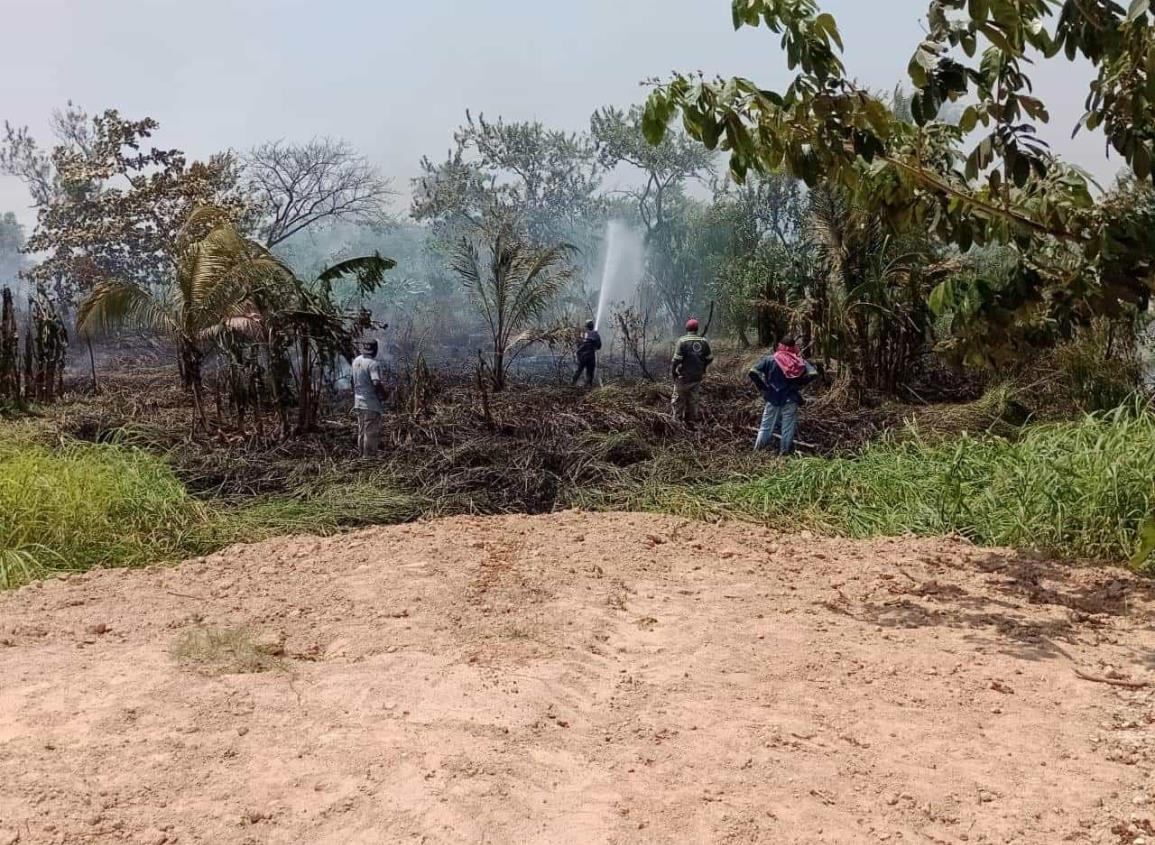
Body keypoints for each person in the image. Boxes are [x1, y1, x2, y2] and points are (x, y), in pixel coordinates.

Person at [749, 334, 815, 456]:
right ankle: (783, 455)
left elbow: (752, 372)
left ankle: (757, 453)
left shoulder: (769, 359)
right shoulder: (799, 362)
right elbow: (813, 373)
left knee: (765, 427)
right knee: (787, 429)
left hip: (772, 398)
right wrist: (800, 383)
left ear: (780, 346)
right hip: (791, 398)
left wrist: (763, 388)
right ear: (792, 347)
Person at [671, 318, 713, 425]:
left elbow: (676, 360)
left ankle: (677, 424)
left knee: (678, 401)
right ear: (697, 329)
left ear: (686, 329)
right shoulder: (703, 341)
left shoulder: (682, 341)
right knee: (693, 401)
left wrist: (674, 373)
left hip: (683, 377)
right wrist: (703, 368)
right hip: (697, 377)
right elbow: (709, 358)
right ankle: (691, 423)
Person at [351, 339, 388, 458]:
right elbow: (376, 382)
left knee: (361, 431)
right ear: (375, 350)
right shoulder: (373, 364)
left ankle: (361, 455)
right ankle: (369, 458)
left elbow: (352, 381)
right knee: (370, 432)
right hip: (370, 403)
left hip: (358, 402)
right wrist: (384, 394)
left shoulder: (356, 361)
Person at [572, 319, 602, 387]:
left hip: (581, 355)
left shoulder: (582, 333)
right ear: (592, 326)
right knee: (590, 371)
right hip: (590, 355)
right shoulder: (595, 334)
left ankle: (572, 384)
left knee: (579, 370)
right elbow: (599, 346)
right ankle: (589, 386)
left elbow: (577, 343)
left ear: (586, 326)